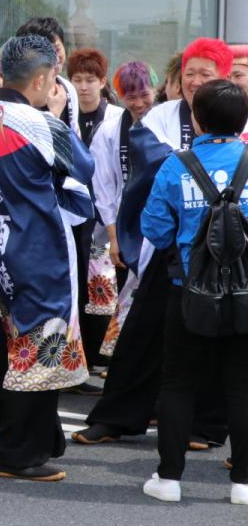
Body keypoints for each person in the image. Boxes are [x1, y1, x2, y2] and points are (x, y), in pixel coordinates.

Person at [75, 37, 235, 447]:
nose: (196, 81)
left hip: (228, 251)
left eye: (206, 73)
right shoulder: (161, 115)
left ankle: (206, 426)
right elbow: (150, 163)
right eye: (190, 73)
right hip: (171, 248)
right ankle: (117, 416)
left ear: (224, 76)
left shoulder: (237, 116)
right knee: (142, 331)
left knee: (219, 338)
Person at [0, 34, 94, 482]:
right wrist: (58, 118)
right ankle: (15, 453)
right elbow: (84, 166)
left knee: (22, 346)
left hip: (1, 247)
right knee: (38, 353)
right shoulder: (39, 122)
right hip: (39, 248)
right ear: (41, 80)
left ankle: (40, 441)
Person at [139, 78, 248, 505]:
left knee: (179, 384)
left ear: (196, 119)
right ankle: (242, 482)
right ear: (243, 122)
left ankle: (168, 479)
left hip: (189, 291)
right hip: (245, 293)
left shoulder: (175, 165)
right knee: (242, 386)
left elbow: (155, 229)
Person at [90, 61, 156, 360]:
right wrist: (115, 238)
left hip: (160, 223)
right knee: (130, 292)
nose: (140, 103)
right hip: (128, 225)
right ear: (120, 95)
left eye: (144, 94)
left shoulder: (167, 120)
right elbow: (103, 187)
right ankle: (126, 358)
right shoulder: (111, 129)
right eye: (131, 97)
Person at [68, 48, 123, 387]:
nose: (84, 87)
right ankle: (80, 360)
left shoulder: (116, 118)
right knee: (76, 288)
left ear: (103, 82)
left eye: (90, 80)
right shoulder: (63, 115)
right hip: (73, 215)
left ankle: (98, 358)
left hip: (105, 217)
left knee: (103, 291)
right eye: (77, 80)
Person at [15, 17, 80, 134]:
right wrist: (53, 115)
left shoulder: (67, 88)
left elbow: (74, 135)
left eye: (57, 49)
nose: (54, 57)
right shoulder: (18, 93)